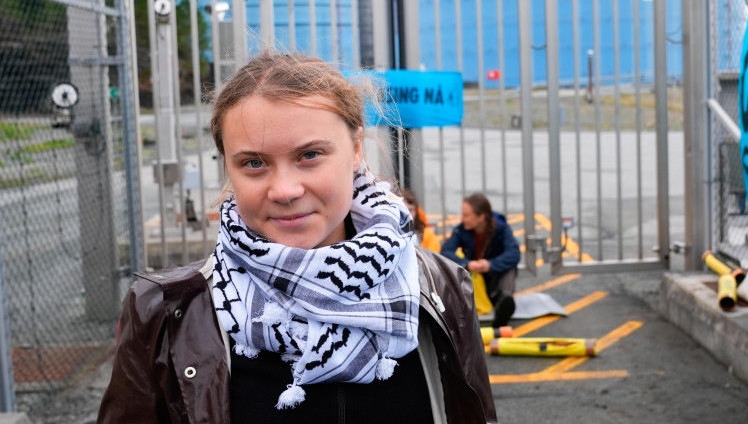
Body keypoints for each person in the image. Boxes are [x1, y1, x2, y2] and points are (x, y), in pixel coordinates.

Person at [98, 53, 495, 423]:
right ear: (229, 169)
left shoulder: (442, 288)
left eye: (309, 155)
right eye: (254, 163)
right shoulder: (165, 312)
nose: (285, 190)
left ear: (356, 150)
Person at [440, 194, 520, 328]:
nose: (462, 219)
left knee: (509, 268)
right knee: (456, 266)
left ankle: (504, 302)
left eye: (466, 215)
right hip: (474, 278)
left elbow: (514, 253)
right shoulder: (461, 230)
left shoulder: (501, 228)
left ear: (481, 217)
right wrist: (467, 264)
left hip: (495, 276)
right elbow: (445, 252)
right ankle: (500, 304)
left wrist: (490, 265)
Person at [401, 188, 440, 253]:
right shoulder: (388, 235)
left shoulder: (428, 236)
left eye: (410, 210)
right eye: (403, 210)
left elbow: (432, 259)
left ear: (416, 212)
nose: (407, 214)